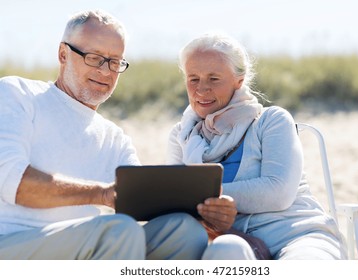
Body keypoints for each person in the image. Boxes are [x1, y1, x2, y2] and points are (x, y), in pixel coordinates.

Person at [0, 9, 208, 260]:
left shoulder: (114, 138)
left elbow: (143, 202)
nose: (106, 71)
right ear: (63, 54)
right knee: (120, 232)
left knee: (184, 232)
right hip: (11, 243)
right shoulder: (17, 93)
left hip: (80, 246)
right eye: (94, 57)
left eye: (115, 61)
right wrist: (101, 194)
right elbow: (13, 182)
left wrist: (206, 213)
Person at [167, 32, 347, 260]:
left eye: (213, 79)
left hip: (294, 234)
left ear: (238, 81)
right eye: (193, 79)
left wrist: (204, 198)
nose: (201, 89)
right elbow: (173, 200)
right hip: (227, 240)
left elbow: (278, 192)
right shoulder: (181, 135)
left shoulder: (271, 120)